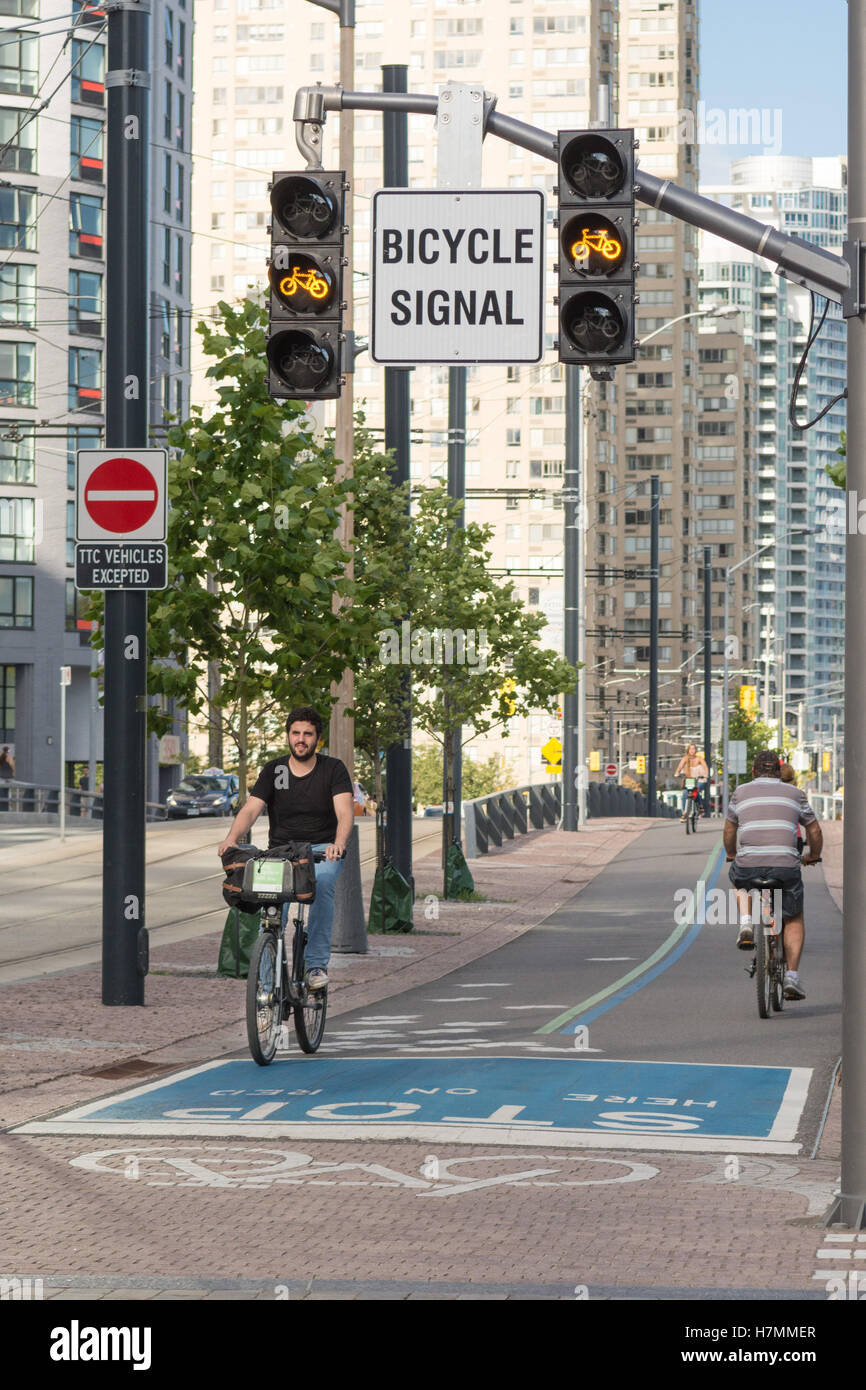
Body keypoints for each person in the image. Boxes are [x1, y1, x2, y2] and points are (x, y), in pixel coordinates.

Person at [217, 706, 354, 990]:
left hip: (321, 849)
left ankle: (316, 965)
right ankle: (267, 988)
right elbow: (252, 809)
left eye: (307, 734)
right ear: (288, 736)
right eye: (295, 733)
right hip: (281, 851)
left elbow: (344, 813)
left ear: (318, 738)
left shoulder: (333, 769)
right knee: (269, 908)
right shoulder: (274, 769)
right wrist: (232, 838)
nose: (301, 739)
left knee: (324, 881)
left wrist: (338, 845)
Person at [724, 749, 823, 1001]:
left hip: (749, 865)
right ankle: (792, 976)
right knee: (793, 917)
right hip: (785, 867)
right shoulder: (795, 794)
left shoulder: (740, 792)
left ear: (754, 771)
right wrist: (813, 855)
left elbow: (729, 829)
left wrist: (732, 854)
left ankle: (746, 922)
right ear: (779, 772)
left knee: (738, 879)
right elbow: (814, 830)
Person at [674, 743, 708, 819]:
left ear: (696, 750)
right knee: (685, 793)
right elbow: (680, 767)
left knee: (696, 790)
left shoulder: (699, 759)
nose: (692, 750)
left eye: (693, 749)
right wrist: (677, 773)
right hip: (689, 780)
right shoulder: (685, 758)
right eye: (690, 749)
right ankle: (684, 812)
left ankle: (700, 807)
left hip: (699, 779)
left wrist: (706, 775)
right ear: (688, 750)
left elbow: (705, 767)